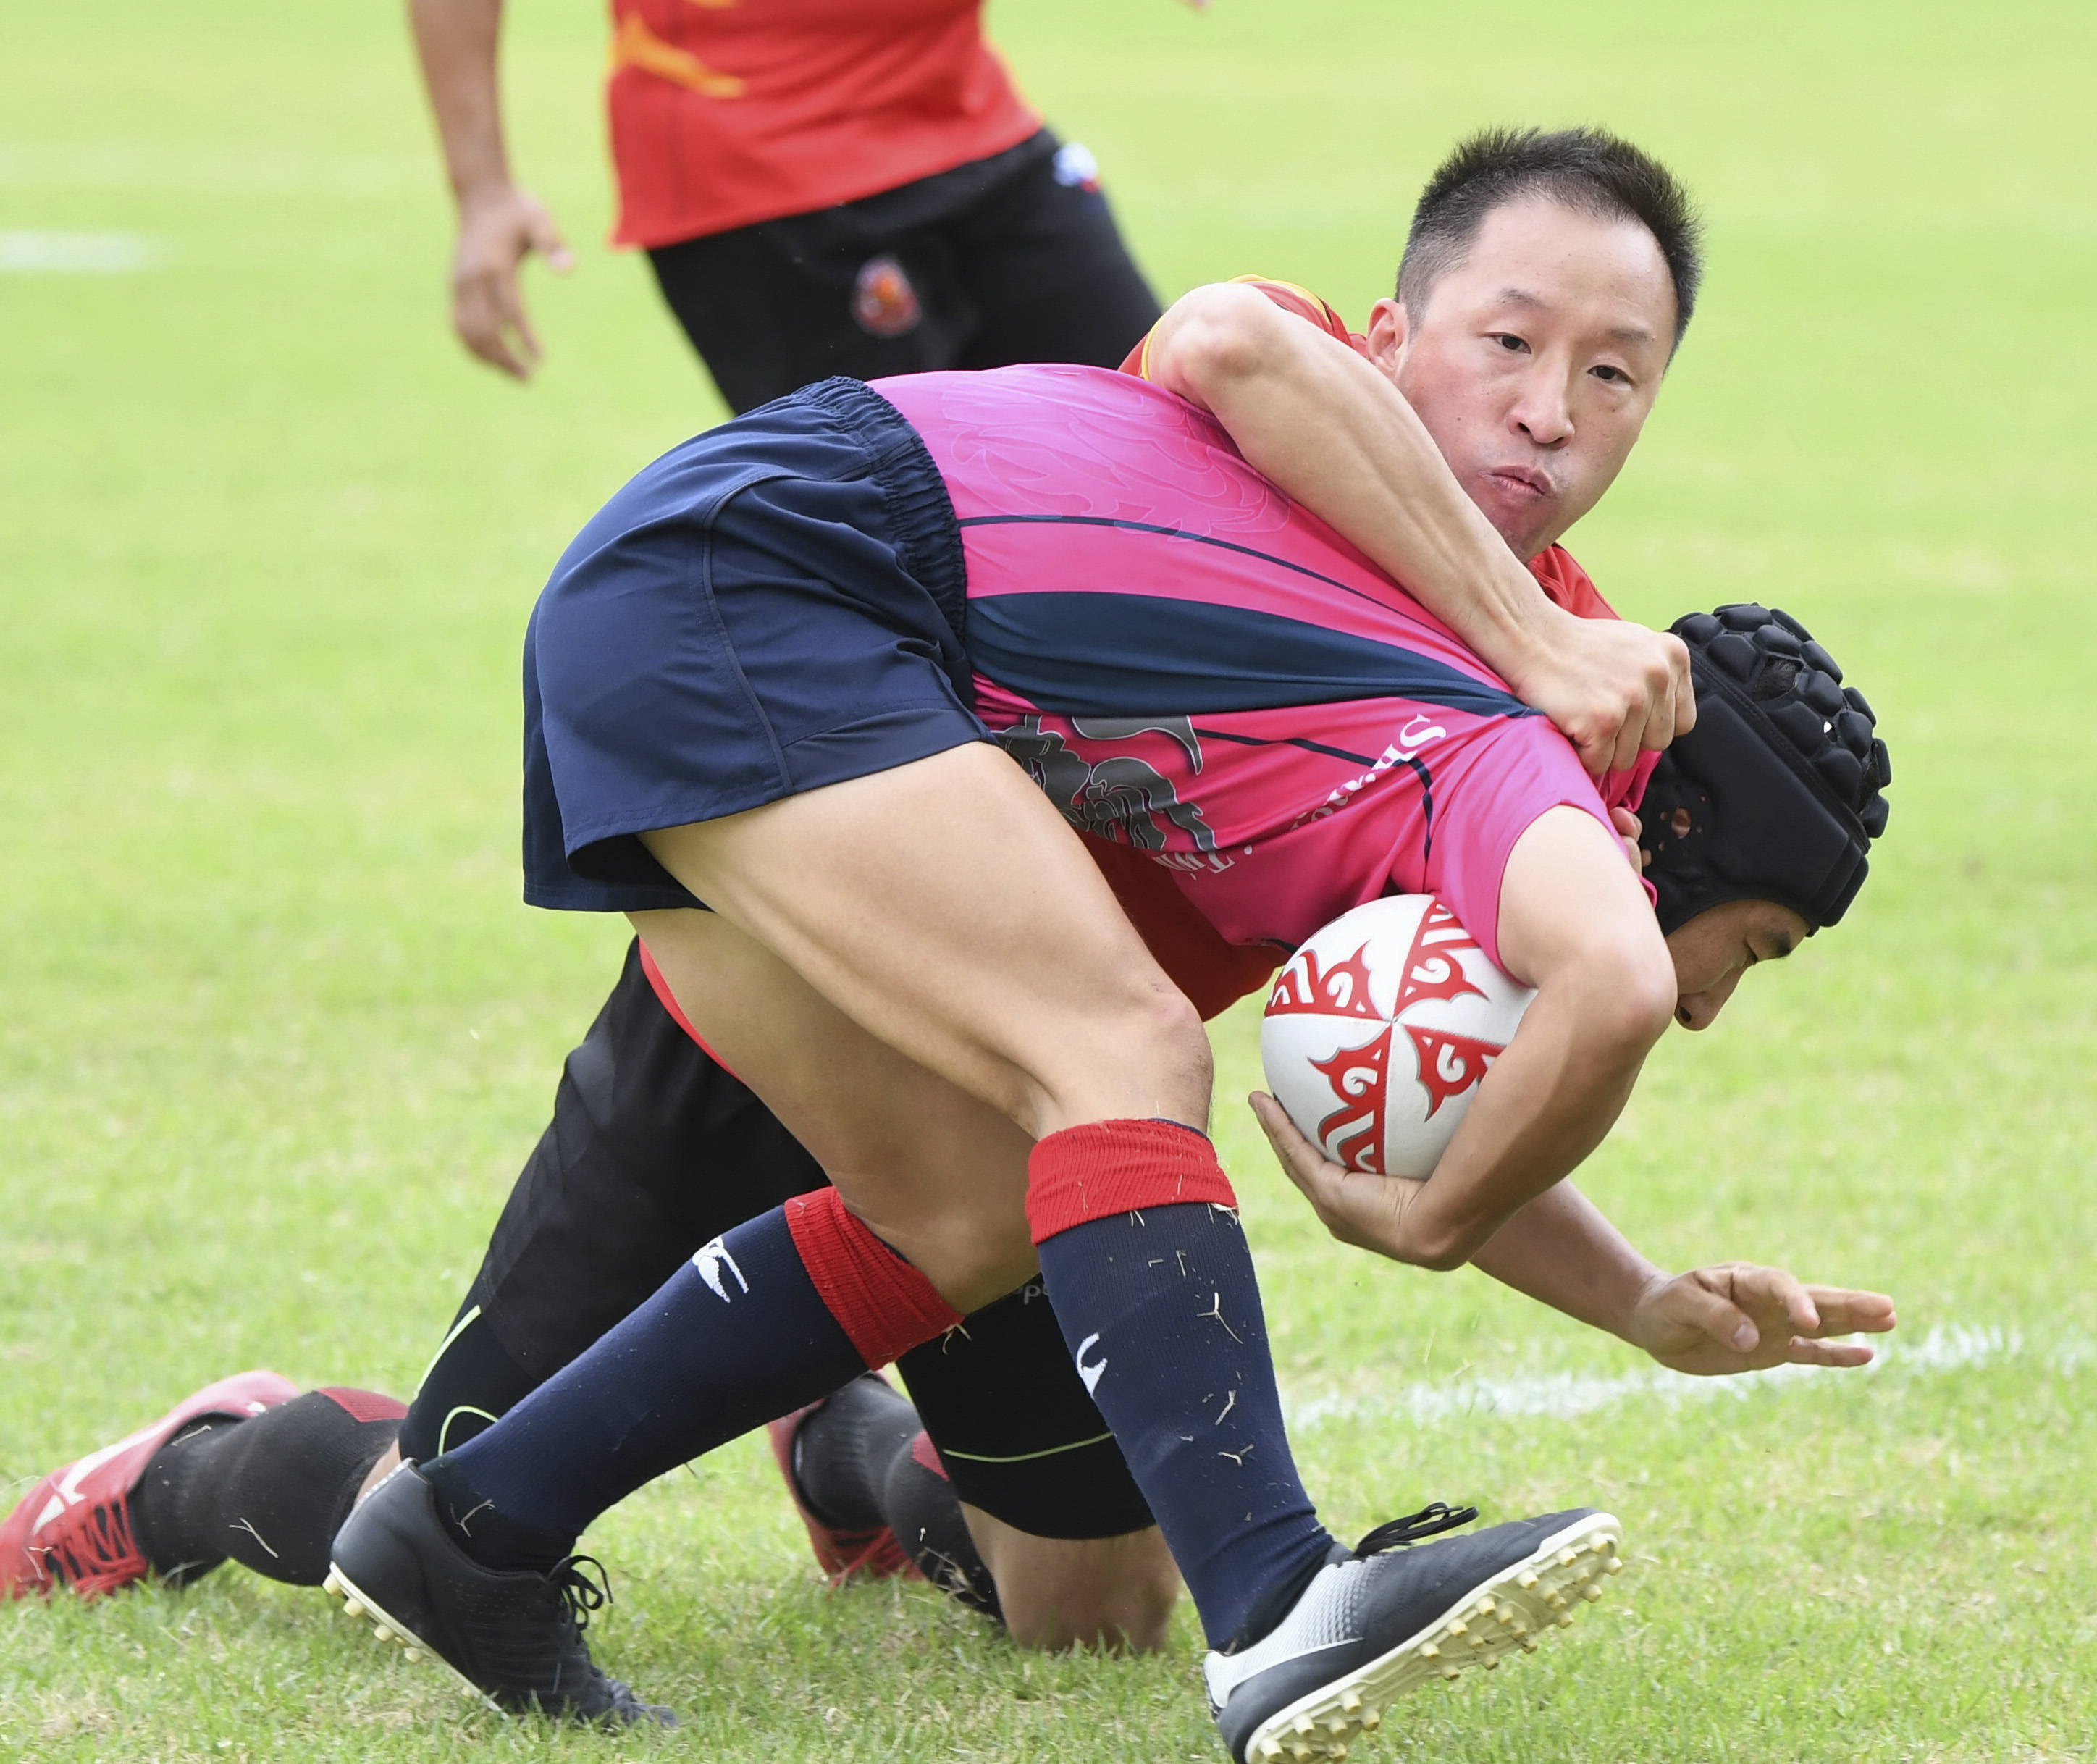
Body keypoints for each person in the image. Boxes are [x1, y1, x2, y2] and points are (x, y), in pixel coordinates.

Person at [2, 129, 1817, 1742]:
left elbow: (1454, 1062)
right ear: (1391, 333)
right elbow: (1224, 339)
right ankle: (212, 1481)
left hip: (923, 883)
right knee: (1118, 1053)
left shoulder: (1511, 702)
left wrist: (1635, 1296)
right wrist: (1527, 636)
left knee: (1055, 1493)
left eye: (1613, 376)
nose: (1549, 408)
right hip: (783, 651)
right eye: (1507, 342)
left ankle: (592, 1506)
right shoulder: (1391, 499)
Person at [409, 0, 1167, 403]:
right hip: (763, 164)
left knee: (1165, 451)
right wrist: (483, 194)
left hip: (968, 117)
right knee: (906, 544)